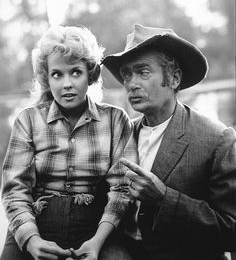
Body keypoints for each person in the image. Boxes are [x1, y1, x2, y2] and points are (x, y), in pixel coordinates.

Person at [1, 25, 137, 260]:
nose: (67, 83)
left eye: (76, 72)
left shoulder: (115, 119)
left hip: (96, 226)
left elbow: (122, 188)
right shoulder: (28, 120)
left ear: (91, 75)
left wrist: (96, 243)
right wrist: (32, 240)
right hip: (36, 220)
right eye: (57, 74)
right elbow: (15, 190)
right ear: (47, 78)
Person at [102, 23, 236, 260]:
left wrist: (164, 198)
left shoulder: (217, 139)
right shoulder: (119, 134)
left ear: (174, 78)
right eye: (126, 75)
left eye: (143, 72)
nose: (131, 84)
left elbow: (231, 231)